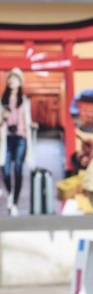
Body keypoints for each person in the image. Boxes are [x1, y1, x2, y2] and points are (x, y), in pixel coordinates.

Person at [1, 67, 37, 216]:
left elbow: (27, 119)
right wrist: (2, 116)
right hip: (7, 138)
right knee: (6, 170)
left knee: (18, 170)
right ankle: (10, 193)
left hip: (21, 138)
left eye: (15, 78)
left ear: (19, 82)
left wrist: (32, 125)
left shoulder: (25, 101)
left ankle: (14, 202)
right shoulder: (3, 101)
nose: (12, 81)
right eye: (10, 78)